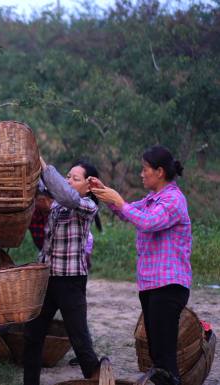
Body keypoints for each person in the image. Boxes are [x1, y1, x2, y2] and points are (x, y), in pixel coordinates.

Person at [90, 145, 191, 385]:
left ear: (159, 171)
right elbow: (128, 213)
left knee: (164, 356)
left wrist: (119, 202)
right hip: (152, 285)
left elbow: (148, 222)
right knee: (156, 352)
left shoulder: (173, 200)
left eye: (145, 169)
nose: (141, 174)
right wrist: (105, 193)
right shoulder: (152, 199)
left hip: (169, 286)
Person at [23, 158, 101, 385]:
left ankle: (99, 379)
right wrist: (30, 164)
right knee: (32, 335)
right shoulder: (57, 202)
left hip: (70, 281)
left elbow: (67, 195)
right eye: (67, 176)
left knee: (79, 340)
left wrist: (45, 167)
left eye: (75, 178)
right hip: (47, 279)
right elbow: (41, 187)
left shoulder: (87, 206)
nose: (68, 181)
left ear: (89, 186)